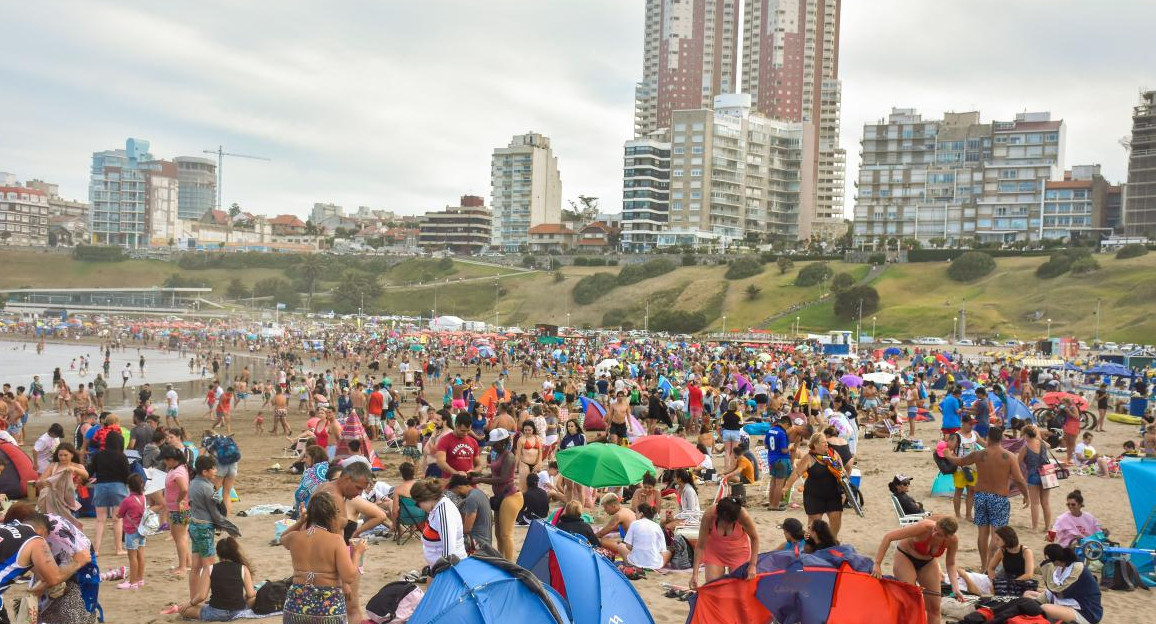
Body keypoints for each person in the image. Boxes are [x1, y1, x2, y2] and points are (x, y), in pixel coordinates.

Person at [946, 425, 1030, 571]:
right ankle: (991, 566)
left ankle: (984, 565)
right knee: (997, 535)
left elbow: (960, 462)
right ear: (1001, 438)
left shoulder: (979, 454)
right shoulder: (1009, 456)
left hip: (980, 496)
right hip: (999, 498)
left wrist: (947, 455)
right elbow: (1019, 479)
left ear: (988, 438)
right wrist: (1026, 495)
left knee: (982, 534)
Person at [280, 493, 366, 624]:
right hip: (327, 603)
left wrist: (301, 521)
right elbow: (349, 577)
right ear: (332, 515)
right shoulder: (336, 540)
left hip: (296, 601)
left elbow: (282, 538)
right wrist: (357, 553)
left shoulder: (295, 537)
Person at [0, 508, 92, 622]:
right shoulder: (36, 540)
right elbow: (55, 578)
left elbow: (19, 561)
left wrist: (43, 583)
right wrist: (77, 562)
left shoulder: (5, 528)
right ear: (43, 532)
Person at [873, 517, 964, 624]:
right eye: (935, 529)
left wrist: (955, 587)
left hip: (928, 562)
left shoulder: (952, 541)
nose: (934, 534)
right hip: (905, 556)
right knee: (910, 599)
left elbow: (951, 564)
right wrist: (877, 564)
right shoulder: (924, 527)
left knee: (935, 607)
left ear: (948, 536)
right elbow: (888, 537)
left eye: (939, 534)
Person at [188, 455, 241, 608]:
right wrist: (231, 528)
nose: (216, 471)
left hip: (194, 525)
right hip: (204, 528)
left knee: (196, 566)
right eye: (213, 468)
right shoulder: (207, 488)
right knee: (209, 566)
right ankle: (201, 598)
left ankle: (195, 599)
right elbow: (215, 515)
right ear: (205, 472)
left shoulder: (193, 483)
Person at [168, 536, 257, 620]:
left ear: (218, 553)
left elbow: (202, 596)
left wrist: (190, 604)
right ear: (235, 552)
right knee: (252, 599)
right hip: (238, 611)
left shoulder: (210, 569)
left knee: (184, 610)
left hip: (215, 612)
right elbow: (250, 594)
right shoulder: (243, 568)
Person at [782, 433, 845, 539]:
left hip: (833, 494)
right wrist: (787, 486)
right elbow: (797, 473)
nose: (826, 444)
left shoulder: (833, 454)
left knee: (836, 518)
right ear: (815, 445)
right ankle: (813, 544)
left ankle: (832, 541)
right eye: (823, 442)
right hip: (814, 495)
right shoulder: (809, 458)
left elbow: (842, 471)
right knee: (814, 524)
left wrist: (846, 491)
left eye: (826, 442)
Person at [471, 428, 520, 560]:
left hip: (510, 496)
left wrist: (480, 479)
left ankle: (510, 563)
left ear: (503, 442)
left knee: (506, 534)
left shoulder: (509, 456)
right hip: (501, 496)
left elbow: (503, 478)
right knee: (498, 533)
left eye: (495, 444)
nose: (493, 446)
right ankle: (502, 559)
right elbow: (494, 474)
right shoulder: (498, 454)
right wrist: (478, 475)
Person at [690, 496, 759, 588]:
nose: (726, 525)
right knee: (713, 586)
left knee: (738, 587)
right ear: (717, 515)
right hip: (715, 552)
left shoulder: (743, 515)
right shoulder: (709, 515)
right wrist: (695, 574)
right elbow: (700, 546)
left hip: (738, 552)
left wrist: (752, 565)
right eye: (724, 522)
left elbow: (755, 538)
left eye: (729, 523)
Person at [1025, 543, 1103, 624]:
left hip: (1085, 611)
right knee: (1028, 595)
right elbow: (1050, 587)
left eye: (1048, 560)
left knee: (1045, 608)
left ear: (1056, 561)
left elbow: (1059, 592)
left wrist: (1046, 568)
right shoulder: (1060, 566)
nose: (1046, 562)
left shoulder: (1077, 568)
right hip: (1066, 602)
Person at [88, 430, 130, 557]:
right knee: (117, 519)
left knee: (100, 519)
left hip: (101, 486)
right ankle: (118, 549)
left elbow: (90, 471)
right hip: (118, 486)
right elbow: (126, 474)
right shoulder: (121, 456)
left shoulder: (98, 455)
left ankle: (96, 550)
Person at [410, 478, 467, 567]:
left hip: (450, 569)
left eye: (418, 503)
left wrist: (438, 572)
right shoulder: (436, 507)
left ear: (427, 498)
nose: (418, 507)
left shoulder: (444, 513)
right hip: (438, 566)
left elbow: (449, 554)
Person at [160, 444, 193, 580]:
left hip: (180, 509)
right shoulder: (178, 469)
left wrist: (179, 500)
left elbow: (184, 489)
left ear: (172, 459)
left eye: (165, 460)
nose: (164, 462)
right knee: (180, 536)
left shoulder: (178, 472)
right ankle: (187, 563)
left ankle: (183, 566)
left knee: (180, 538)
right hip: (176, 509)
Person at [115, 473, 149, 590]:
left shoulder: (127, 500)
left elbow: (119, 514)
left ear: (129, 486)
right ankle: (140, 579)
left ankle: (132, 582)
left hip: (131, 531)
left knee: (132, 557)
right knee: (141, 555)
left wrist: (118, 514)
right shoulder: (143, 498)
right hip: (142, 530)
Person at [1018, 424, 1055, 532]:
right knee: (1046, 502)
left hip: (1033, 473)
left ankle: (1034, 527)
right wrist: (1038, 437)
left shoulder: (1025, 447)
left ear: (1026, 435)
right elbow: (1048, 446)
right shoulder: (1042, 443)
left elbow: (1017, 462)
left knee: (1035, 503)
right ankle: (1047, 527)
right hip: (1047, 471)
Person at [615, 503, 670, 570]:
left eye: (636, 512)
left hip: (636, 563)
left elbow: (628, 546)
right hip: (655, 565)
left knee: (621, 546)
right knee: (668, 553)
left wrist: (637, 549)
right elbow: (662, 549)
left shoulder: (634, 524)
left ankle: (629, 563)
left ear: (641, 514)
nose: (635, 514)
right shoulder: (657, 526)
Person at [448, 474, 493, 551]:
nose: (457, 496)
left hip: (478, 541)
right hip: (486, 539)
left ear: (459, 487)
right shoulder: (479, 493)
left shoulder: (471, 499)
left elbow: (467, 529)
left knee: (447, 546)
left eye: (456, 493)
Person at [435, 413, 483, 477]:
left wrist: (474, 471)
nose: (465, 434)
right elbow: (440, 462)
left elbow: (479, 465)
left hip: (468, 484)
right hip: (451, 483)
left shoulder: (473, 442)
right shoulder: (445, 440)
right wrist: (456, 473)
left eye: (468, 431)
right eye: (462, 431)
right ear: (456, 425)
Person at [765, 414, 793, 511]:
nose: (788, 429)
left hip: (772, 459)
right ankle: (775, 505)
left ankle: (771, 502)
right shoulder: (782, 433)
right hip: (781, 459)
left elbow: (766, 446)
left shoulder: (769, 430)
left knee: (773, 482)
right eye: (788, 426)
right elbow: (784, 450)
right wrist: (790, 447)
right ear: (785, 424)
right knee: (779, 484)